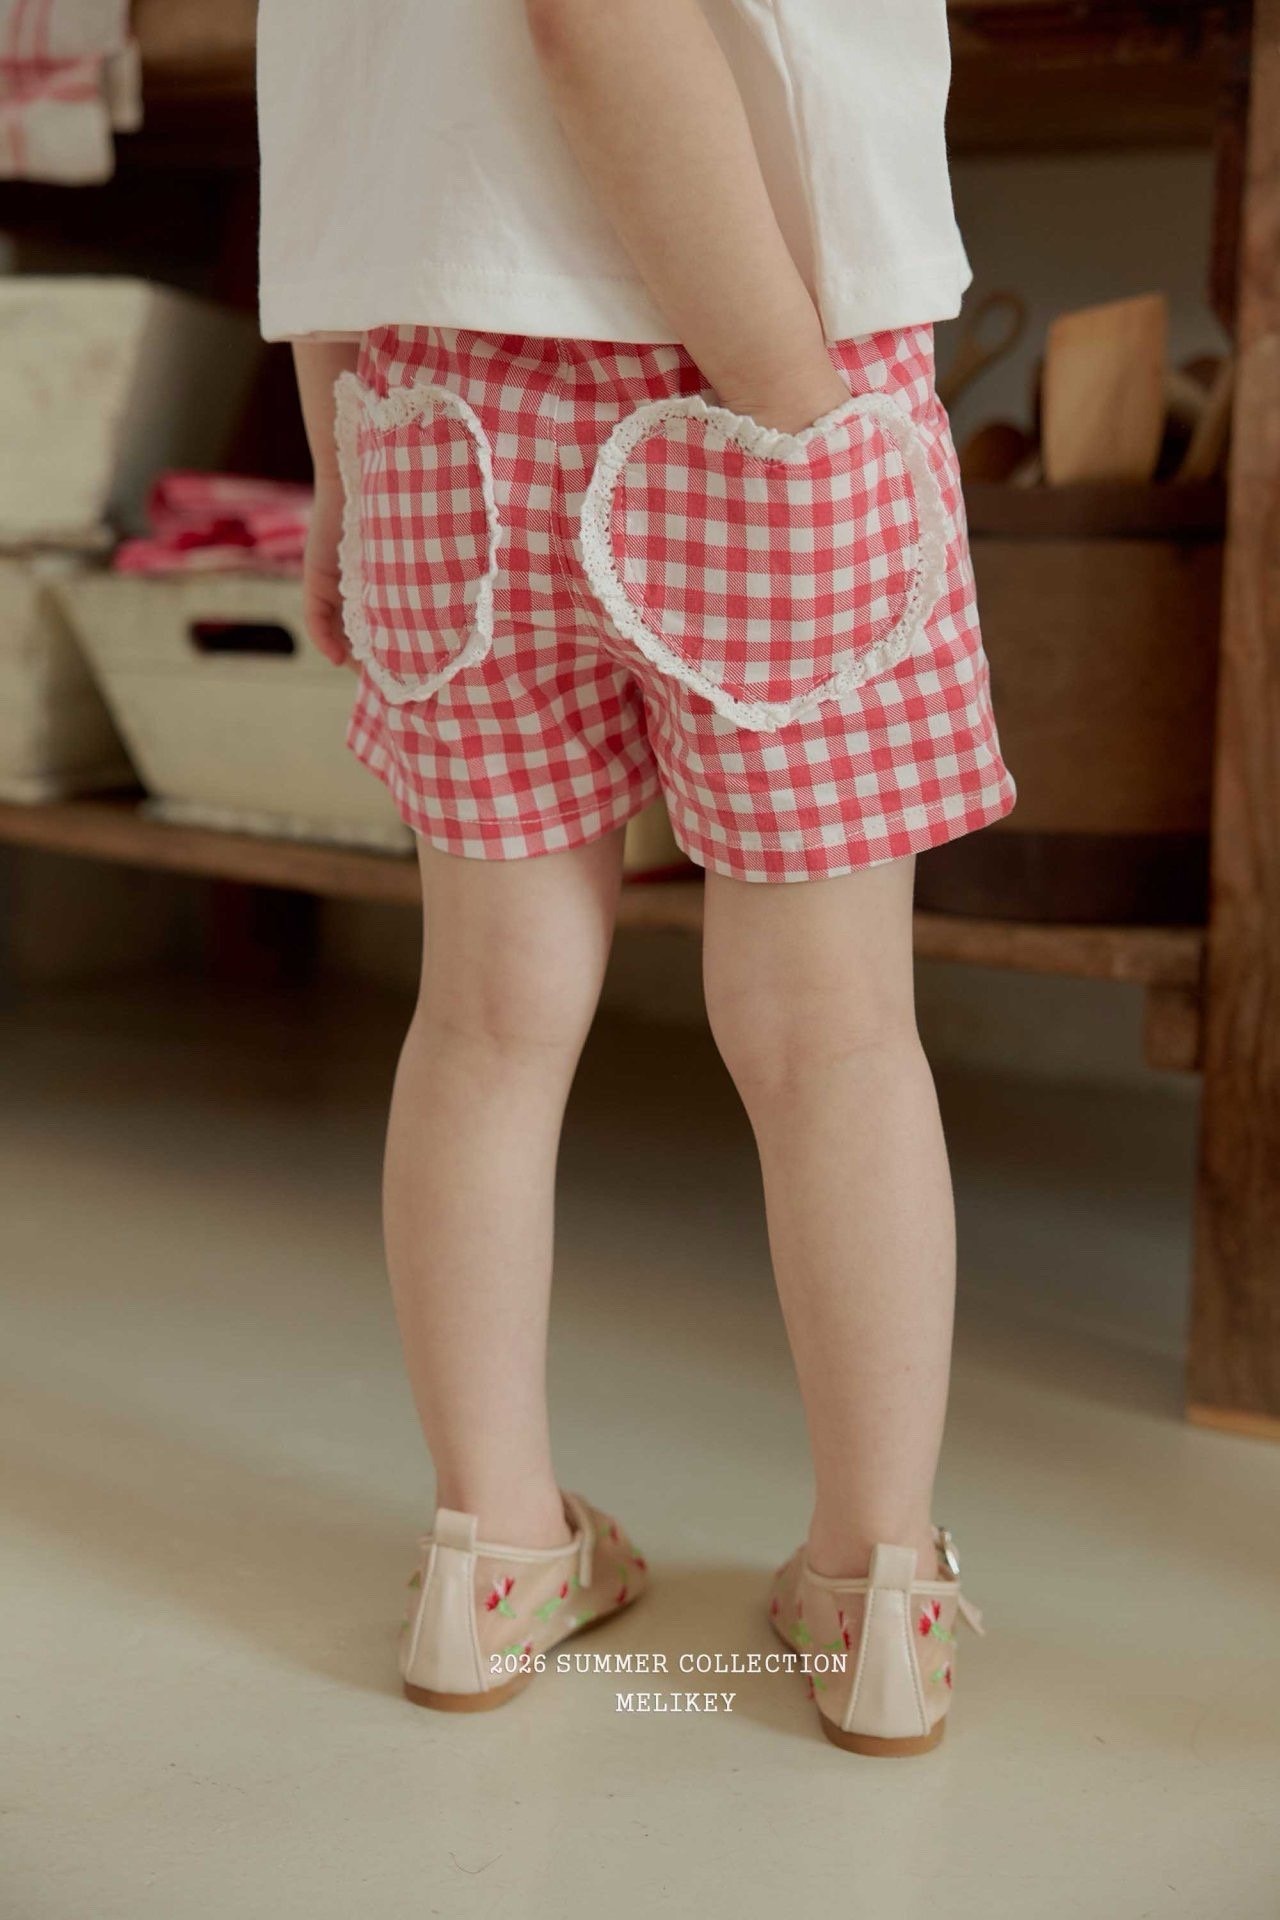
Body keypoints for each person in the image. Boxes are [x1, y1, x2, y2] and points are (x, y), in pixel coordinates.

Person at [257, 0, 1014, 1755]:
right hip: (746, 345)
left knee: (485, 1022)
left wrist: (336, 450)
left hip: (430, 398)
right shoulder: (774, 379)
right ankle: (876, 1587)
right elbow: (592, 19)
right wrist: (797, 401)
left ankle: (491, 1555)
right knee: (831, 1033)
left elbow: (337, 106)